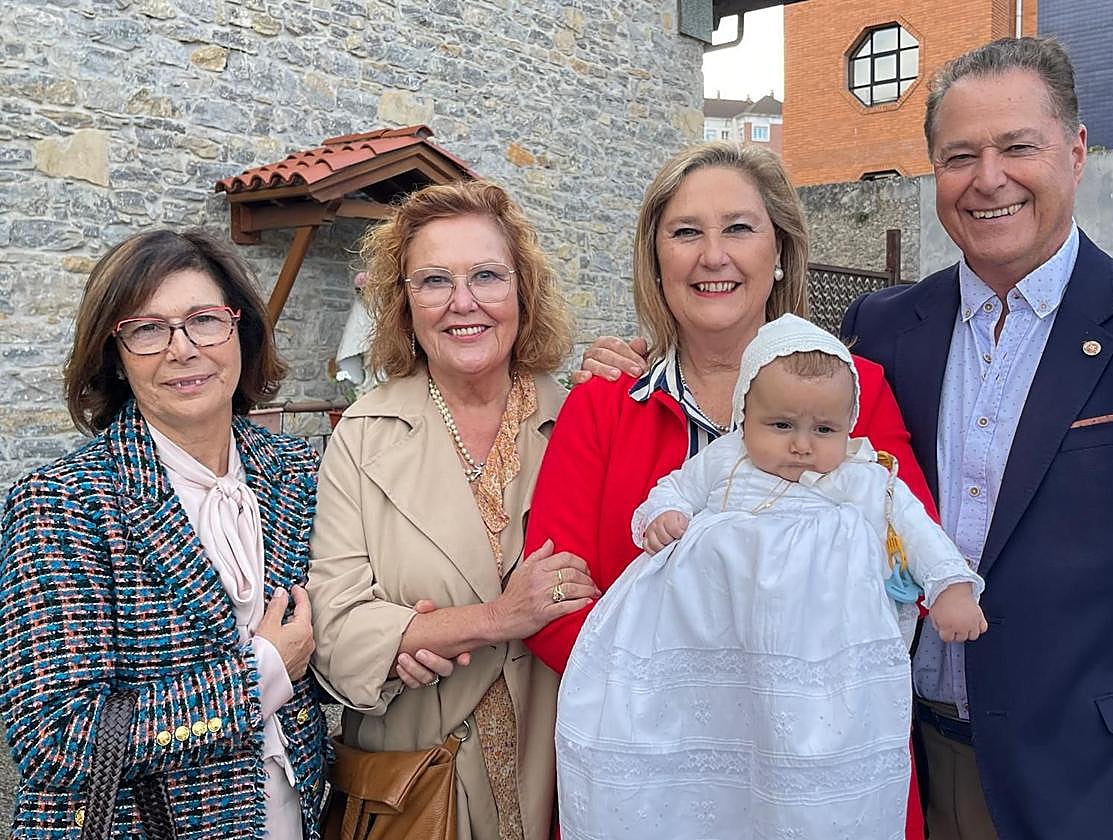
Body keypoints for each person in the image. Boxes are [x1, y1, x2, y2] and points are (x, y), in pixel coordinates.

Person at [841, 37, 1113, 839]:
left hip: (1100, 787)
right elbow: (789, 438)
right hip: (907, 770)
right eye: (960, 154)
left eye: (1017, 146)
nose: (988, 177)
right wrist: (640, 362)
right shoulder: (883, 331)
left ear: (1075, 151)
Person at [523, 141, 934, 839]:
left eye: (739, 228)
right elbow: (555, 594)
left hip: (821, 761)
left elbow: (905, 564)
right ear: (658, 260)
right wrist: (694, 697)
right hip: (648, 765)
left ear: (779, 252)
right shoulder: (600, 406)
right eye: (686, 232)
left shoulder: (857, 390)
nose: (713, 255)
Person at [556, 314, 985, 839]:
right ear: (744, 414)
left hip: (817, 666)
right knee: (716, 775)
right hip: (718, 657)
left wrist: (950, 588)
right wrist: (661, 519)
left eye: (824, 430)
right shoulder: (726, 460)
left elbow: (917, 533)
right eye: (781, 426)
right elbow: (672, 490)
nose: (802, 446)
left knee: (806, 779)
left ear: (849, 426)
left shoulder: (862, 478)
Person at [0, 230, 327, 838]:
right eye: (147, 330)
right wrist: (259, 673)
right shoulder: (59, 502)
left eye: (204, 320)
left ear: (241, 332)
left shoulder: (298, 472)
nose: (183, 349)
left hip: (292, 813)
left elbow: (323, 648)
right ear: (114, 354)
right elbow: (52, 737)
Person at [307, 180, 598, 840]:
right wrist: (496, 618)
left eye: (487, 276)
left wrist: (419, 632)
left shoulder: (583, 422)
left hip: (559, 777)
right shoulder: (363, 432)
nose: (462, 303)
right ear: (404, 303)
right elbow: (336, 630)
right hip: (416, 792)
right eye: (434, 280)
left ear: (522, 289)